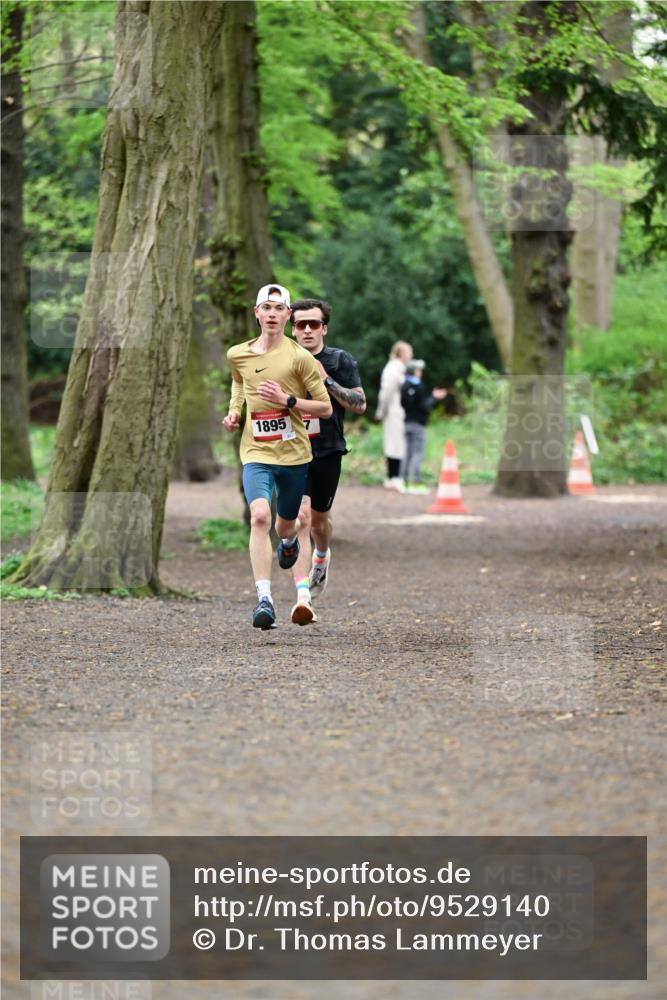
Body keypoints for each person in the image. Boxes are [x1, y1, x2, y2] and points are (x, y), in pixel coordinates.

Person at [223, 284, 332, 630]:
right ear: (256, 313)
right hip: (255, 451)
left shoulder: (300, 358)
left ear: (288, 315)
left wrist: (288, 401)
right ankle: (264, 600)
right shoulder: (237, 353)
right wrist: (235, 412)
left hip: (294, 455)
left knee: (287, 525)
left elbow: (326, 408)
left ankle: (287, 542)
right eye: (265, 307)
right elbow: (239, 382)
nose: (272, 314)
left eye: (278, 308)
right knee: (258, 517)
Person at [287, 298, 366, 624]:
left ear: (324, 328)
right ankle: (302, 597)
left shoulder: (338, 360)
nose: (307, 330)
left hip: (328, 451)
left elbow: (359, 404)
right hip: (292, 451)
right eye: (301, 324)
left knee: (319, 522)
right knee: (301, 518)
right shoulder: (282, 361)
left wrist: (326, 380)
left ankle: (322, 556)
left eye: (314, 324)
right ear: (293, 328)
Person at [400, 359, 447, 494]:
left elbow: (404, 404)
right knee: (417, 453)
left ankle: (404, 482)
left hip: (407, 422)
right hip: (418, 424)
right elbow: (424, 406)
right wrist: (434, 398)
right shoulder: (419, 386)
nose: (420, 373)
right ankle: (416, 483)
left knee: (407, 453)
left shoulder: (404, 385)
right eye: (419, 370)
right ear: (415, 371)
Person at [375, 340, 413, 492]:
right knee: (394, 444)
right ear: (402, 353)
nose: (411, 356)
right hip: (393, 412)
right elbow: (386, 393)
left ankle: (394, 477)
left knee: (397, 444)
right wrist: (381, 412)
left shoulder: (400, 369)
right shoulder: (392, 369)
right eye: (409, 352)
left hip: (399, 412)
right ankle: (394, 478)